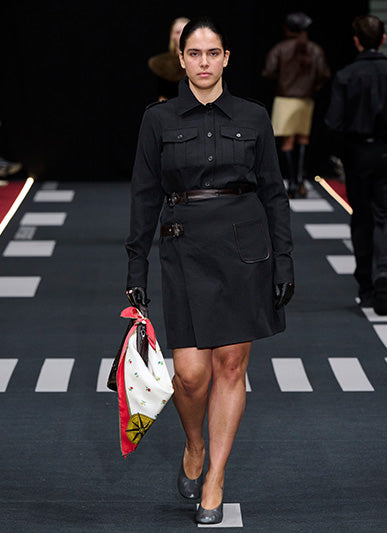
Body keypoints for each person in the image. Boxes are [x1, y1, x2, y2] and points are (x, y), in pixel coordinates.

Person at [125, 17, 294, 525]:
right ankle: (194, 444)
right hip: (185, 248)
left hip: (245, 249)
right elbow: (144, 196)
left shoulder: (253, 115)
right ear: (181, 59)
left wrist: (284, 260)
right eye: (194, 54)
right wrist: (136, 266)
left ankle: (214, 479)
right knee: (191, 376)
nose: (204, 62)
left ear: (226, 58)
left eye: (213, 53)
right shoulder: (158, 120)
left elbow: (274, 192)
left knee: (231, 366)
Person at [325, 15, 387, 316]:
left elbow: (333, 122)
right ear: (383, 39)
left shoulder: (346, 76)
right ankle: (384, 271)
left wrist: (343, 149)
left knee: (362, 218)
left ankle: (367, 287)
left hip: (357, 154)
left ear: (356, 41)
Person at [262, 12, 330, 198]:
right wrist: (313, 87)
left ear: (287, 29)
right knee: (303, 139)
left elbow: (268, 72)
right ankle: (300, 181)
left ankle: (291, 182)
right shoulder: (314, 50)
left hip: (285, 98)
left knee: (287, 141)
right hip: (306, 99)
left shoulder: (280, 49)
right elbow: (324, 74)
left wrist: (281, 82)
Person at [148, 17, 189, 101]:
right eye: (178, 32)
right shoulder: (160, 63)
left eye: (185, 31)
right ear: (172, 35)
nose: (182, 35)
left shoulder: (202, 61)